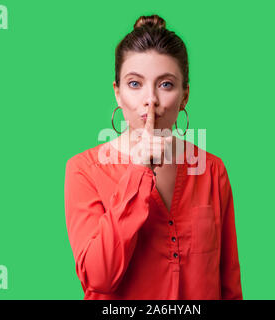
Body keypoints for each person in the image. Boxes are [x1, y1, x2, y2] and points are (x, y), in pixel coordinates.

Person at [64, 14, 243, 300]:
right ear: (118, 94)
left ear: (184, 96)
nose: (151, 100)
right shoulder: (83, 170)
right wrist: (138, 170)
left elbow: (229, 283)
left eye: (166, 84)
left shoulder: (212, 170)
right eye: (135, 84)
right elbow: (99, 278)